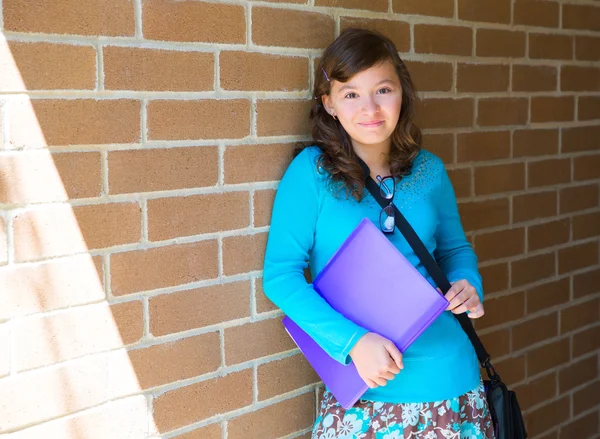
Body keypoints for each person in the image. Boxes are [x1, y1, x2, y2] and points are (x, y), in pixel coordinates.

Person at [262, 28, 494, 439]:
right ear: (329, 104)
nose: (369, 108)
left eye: (383, 89)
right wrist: (352, 342)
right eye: (351, 94)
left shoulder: (430, 171)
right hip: (366, 387)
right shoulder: (311, 174)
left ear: (401, 92)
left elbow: (455, 249)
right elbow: (280, 277)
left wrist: (467, 283)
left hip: (452, 380)